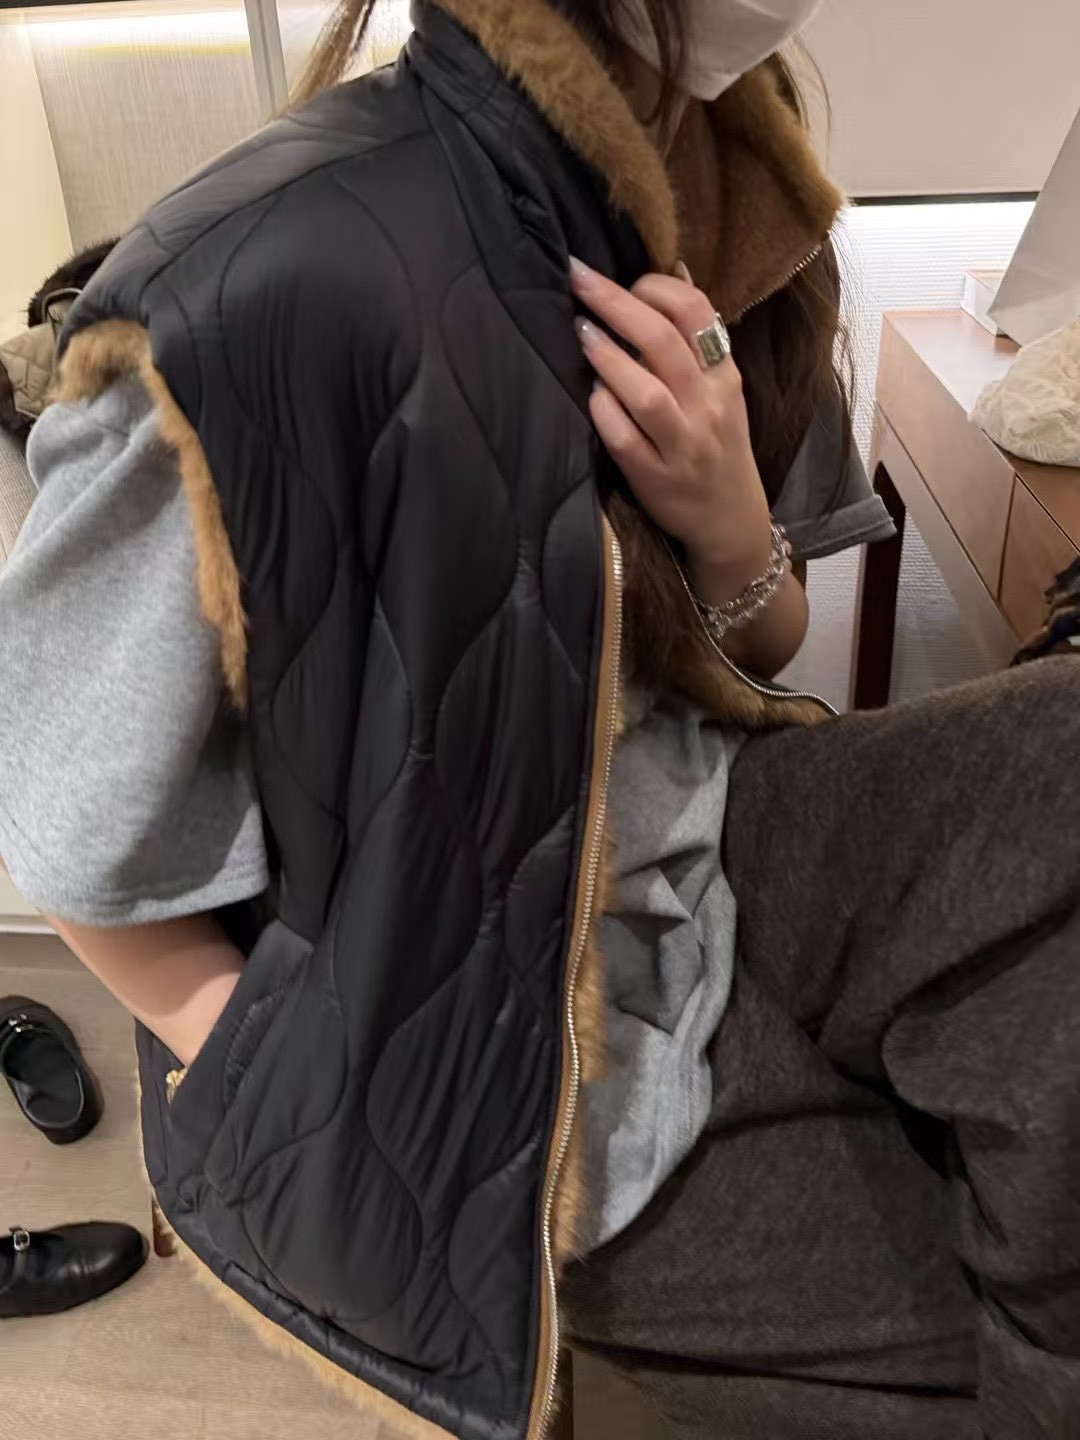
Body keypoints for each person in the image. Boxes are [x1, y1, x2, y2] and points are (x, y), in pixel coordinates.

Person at [0, 0, 1076, 1436]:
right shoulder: (252, 288)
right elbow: (73, 837)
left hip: (711, 832)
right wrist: (317, 1096)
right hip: (478, 1024)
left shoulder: (744, 188)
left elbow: (768, 639)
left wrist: (726, 521)